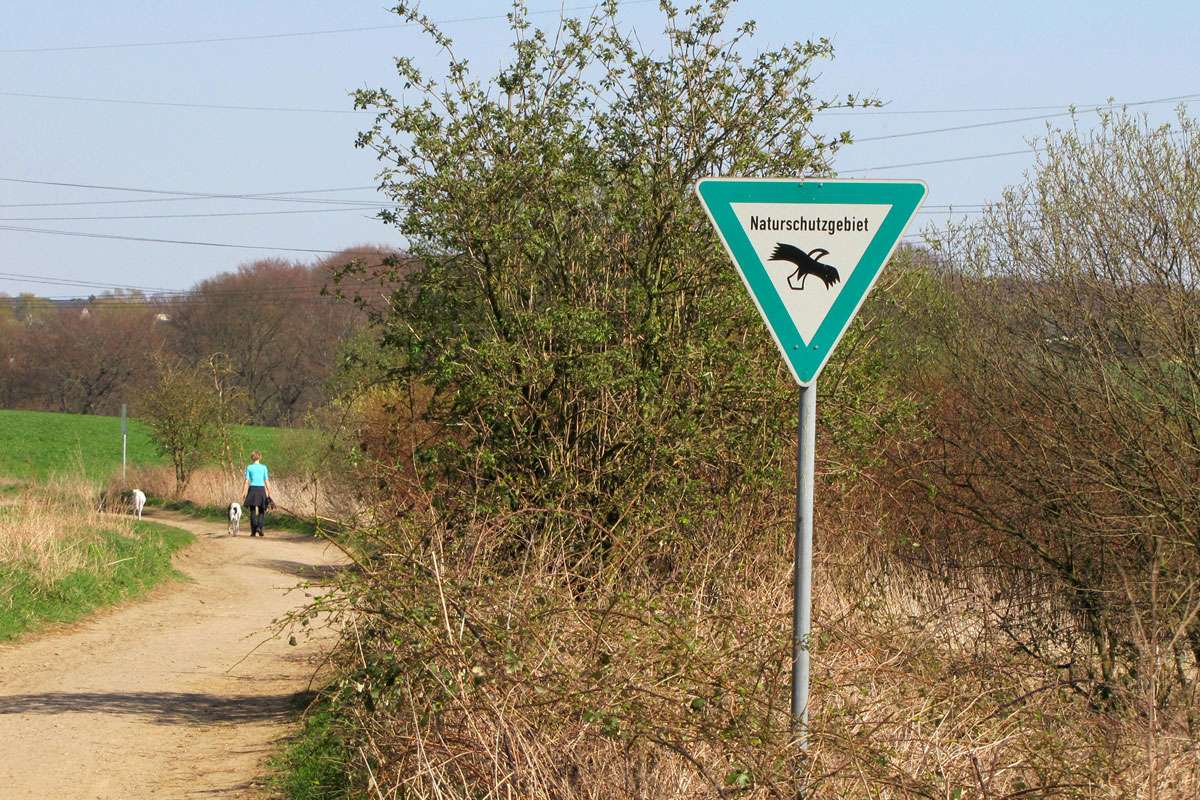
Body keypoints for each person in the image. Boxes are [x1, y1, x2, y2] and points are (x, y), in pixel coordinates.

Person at [241, 451, 273, 537]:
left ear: (252, 458)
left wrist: (243, 492)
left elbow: (246, 481)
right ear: (260, 457)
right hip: (261, 489)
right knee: (262, 510)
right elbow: (266, 481)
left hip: (252, 489)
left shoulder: (249, 467)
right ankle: (259, 527)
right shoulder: (264, 467)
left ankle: (253, 531)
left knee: (252, 511)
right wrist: (269, 492)